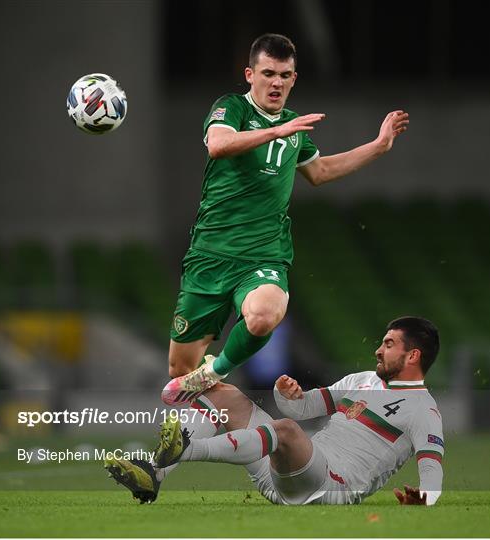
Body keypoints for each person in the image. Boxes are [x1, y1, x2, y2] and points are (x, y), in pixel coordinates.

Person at [161, 32, 409, 406]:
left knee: (264, 315)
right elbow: (218, 145)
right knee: (180, 373)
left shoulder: (294, 128)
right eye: (268, 73)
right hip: (209, 255)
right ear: (250, 74)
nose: (276, 82)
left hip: (263, 256)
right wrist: (274, 130)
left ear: (294, 78)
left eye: (285, 75)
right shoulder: (232, 108)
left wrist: (378, 147)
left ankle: (215, 372)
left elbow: (321, 171)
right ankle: (215, 431)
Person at [106, 316, 444, 506]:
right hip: (290, 470)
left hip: (330, 486)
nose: (378, 350)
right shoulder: (363, 379)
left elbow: (432, 470)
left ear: (412, 356)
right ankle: (154, 472)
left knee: (284, 431)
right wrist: (288, 395)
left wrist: (426, 498)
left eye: (388, 344)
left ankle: (186, 448)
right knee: (222, 393)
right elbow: (304, 409)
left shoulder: (423, 411)